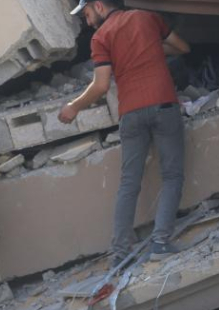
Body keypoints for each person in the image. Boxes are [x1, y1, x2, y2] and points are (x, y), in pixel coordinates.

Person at [59, 0, 191, 264]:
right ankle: (160, 243)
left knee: (129, 183)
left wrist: (73, 107)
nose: (86, 22)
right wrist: (151, 49)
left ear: (99, 6)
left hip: (130, 113)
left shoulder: (101, 37)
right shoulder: (148, 17)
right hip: (164, 104)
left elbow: (101, 85)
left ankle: (120, 252)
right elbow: (182, 47)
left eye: (86, 15)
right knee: (172, 175)